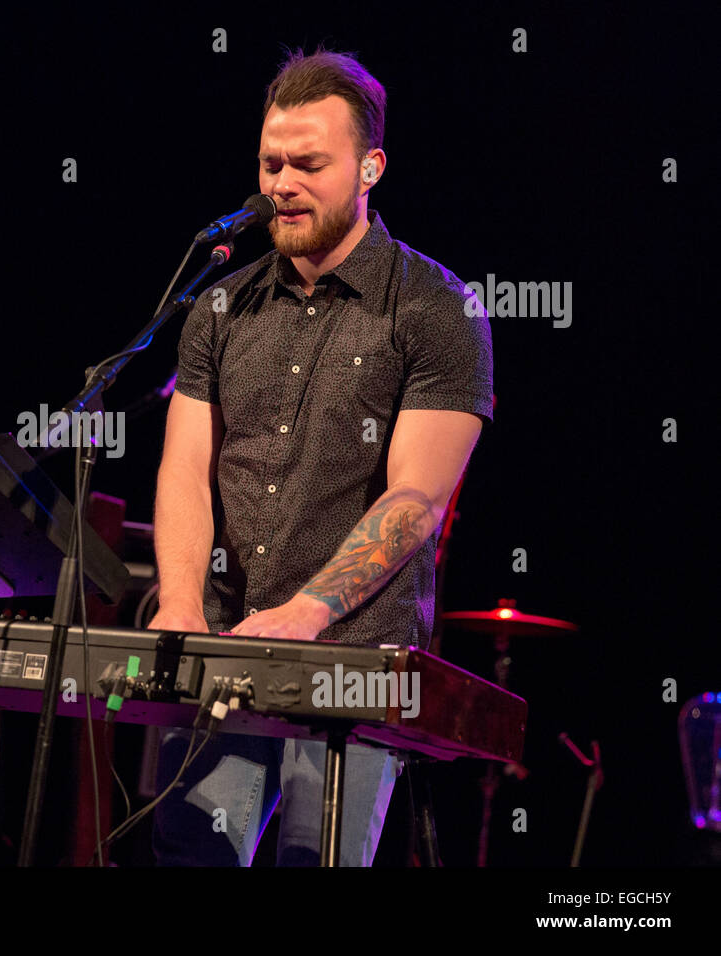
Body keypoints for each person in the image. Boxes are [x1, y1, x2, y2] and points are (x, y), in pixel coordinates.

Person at [148, 49, 492, 866]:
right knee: (192, 854)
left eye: (310, 163)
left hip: (353, 662)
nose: (283, 183)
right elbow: (185, 470)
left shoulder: (439, 309)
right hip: (225, 646)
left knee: (319, 858)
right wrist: (183, 608)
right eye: (271, 162)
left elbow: (415, 498)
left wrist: (306, 613)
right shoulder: (221, 305)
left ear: (370, 167)